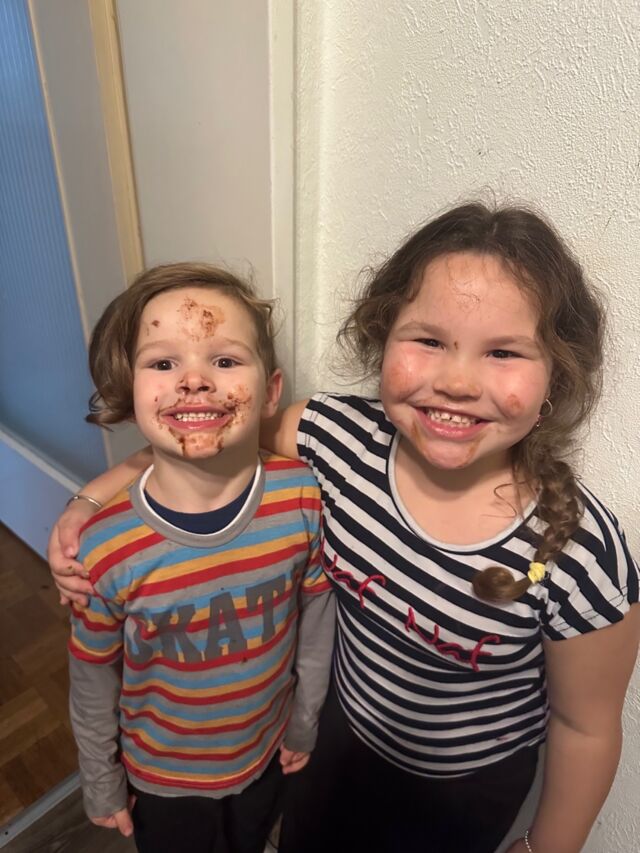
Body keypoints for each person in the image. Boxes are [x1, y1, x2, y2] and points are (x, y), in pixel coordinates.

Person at [51, 204, 639, 853]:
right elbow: (207, 430)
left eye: (503, 351)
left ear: (556, 372)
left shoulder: (581, 552)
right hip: (333, 747)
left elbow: (585, 727)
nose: (457, 381)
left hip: (462, 798)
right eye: (428, 341)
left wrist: (546, 847)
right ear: (383, 339)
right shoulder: (334, 440)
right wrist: (89, 499)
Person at [64, 263, 335, 853]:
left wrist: (305, 720)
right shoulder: (104, 547)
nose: (193, 380)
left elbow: (317, 620)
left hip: (267, 753)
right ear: (130, 393)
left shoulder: (300, 496)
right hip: (163, 780)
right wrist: (101, 780)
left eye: (225, 360)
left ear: (270, 391)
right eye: (163, 364)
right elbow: (91, 676)